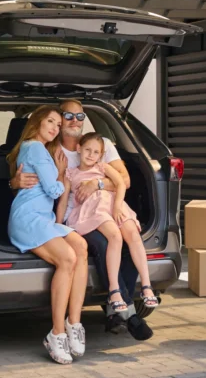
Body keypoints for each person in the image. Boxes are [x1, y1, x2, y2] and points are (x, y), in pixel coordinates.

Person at [10, 99, 154, 341]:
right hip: (77, 215)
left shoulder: (101, 143)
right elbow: (35, 182)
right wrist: (14, 182)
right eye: (65, 117)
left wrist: (95, 183)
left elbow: (124, 180)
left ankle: (116, 307)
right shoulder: (49, 147)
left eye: (79, 116)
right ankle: (126, 311)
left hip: (106, 206)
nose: (72, 121)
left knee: (127, 239)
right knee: (103, 243)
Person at [5, 106, 88, 364]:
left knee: (81, 247)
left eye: (57, 123)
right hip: (28, 218)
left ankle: (74, 322)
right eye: (49, 122)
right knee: (67, 259)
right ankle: (57, 333)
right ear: (37, 123)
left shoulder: (41, 150)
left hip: (44, 218)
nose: (54, 127)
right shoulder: (35, 148)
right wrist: (62, 175)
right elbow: (54, 191)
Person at [58, 132, 159, 313]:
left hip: (114, 206)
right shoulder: (70, 174)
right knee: (115, 237)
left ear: (101, 155)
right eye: (87, 150)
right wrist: (57, 224)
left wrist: (118, 206)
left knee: (134, 235)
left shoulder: (103, 167)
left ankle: (146, 285)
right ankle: (114, 291)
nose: (91, 155)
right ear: (79, 149)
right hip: (94, 210)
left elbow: (121, 183)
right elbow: (64, 200)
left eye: (96, 152)